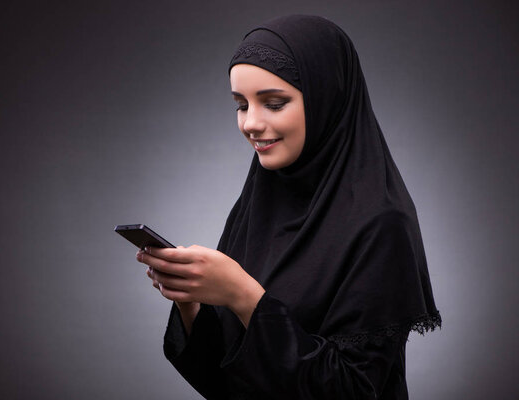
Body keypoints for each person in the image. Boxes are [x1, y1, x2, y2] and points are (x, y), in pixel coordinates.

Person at [136, 14, 440, 400]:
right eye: (241, 105)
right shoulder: (257, 206)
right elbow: (224, 381)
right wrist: (192, 305)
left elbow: (353, 390)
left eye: (274, 103)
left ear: (325, 98)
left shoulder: (382, 224)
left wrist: (245, 297)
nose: (250, 123)